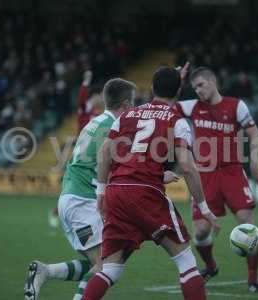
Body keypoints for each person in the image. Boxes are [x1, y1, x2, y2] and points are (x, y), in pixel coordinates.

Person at [82, 67, 220, 300]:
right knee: (186, 262)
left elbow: (105, 152)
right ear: (178, 90)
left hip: (117, 192)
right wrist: (204, 208)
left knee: (111, 269)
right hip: (145, 193)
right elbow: (186, 166)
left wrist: (101, 192)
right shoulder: (177, 121)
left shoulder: (127, 116)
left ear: (153, 88)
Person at [24, 78, 137, 300]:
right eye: (132, 104)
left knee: (104, 262)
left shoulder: (97, 121)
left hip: (74, 197)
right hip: (82, 202)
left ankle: (45, 271)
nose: (134, 109)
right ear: (124, 105)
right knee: (105, 267)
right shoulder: (114, 128)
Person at [175, 66, 258, 293]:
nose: (197, 91)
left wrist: (254, 162)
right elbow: (165, 106)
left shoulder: (236, 106)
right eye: (194, 87)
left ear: (212, 81)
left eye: (201, 85)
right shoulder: (193, 107)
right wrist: (177, 82)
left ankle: (253, 279)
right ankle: (211, 266)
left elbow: (254, 134)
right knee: (201, 232)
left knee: (248, 225)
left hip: (232, 172)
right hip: (205, 175)